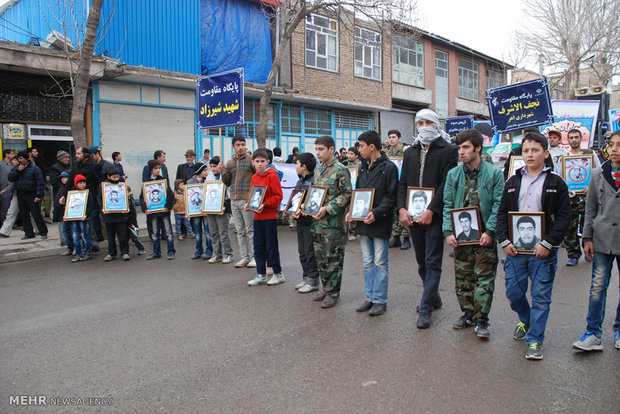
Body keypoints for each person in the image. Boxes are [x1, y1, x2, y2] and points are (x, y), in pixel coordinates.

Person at [497, 132, 570, 360]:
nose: (529, 154)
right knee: (513, 293)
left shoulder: (556, 183)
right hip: (516, 251)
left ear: (545, 153)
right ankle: (526, 320)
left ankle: (536, 340)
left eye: (535, 150)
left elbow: (565, 218)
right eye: (526, 150)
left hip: (543, 253)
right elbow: (502, 214)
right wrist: (504, 240)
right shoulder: (513, 181)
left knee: (541, 297)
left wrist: (548, 243)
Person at [397, 109, 458, 329]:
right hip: (412, 216)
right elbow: (402, 183)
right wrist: (402, 208)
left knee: (433, 261)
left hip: (434, 215)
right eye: (420, 123)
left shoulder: (448, 150)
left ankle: (425, 309)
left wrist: (431, 210)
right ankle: (433, 296)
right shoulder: (410, 152)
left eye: (428, 122)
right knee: (421, 261)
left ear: (436, 124)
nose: (424, 126)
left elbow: (446, 184)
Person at [443, 128, 505, 338]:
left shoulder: (495, 173)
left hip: (484, 237)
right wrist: (448, 231)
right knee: (463, 278)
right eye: (459, 147)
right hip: (461, 237)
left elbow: (499, 205)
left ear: (478, 148)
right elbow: (448, 204)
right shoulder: (453, 174)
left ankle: (482, 319)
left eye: (466, 147)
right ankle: (467, 314)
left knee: (484, 278)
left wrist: (490, 230)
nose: (461, 152)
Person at [572, 130, 620, 352]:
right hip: (600, 239)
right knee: (597, 287)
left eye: (619, 145)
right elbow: (590, 209)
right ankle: (593, 333)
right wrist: (587, 237)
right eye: (611, 145)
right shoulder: (598, 173)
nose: (614, 150)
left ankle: (619, 330)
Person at [347, 130, 398, 316]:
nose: (358, 149)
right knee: (367, 262)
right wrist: (351, 211)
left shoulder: (389, 167)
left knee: (380, 262)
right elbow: (358, 191)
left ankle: (380, 299)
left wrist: (376, 213)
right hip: (363, 220)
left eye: (361, 146)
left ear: (372, 146)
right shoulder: (362, 167)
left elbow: (391, 196)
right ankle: (369, 297)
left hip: (379, 220)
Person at [306, 135, 352, 308]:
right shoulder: (319, 169)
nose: (317, 152)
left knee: (333, 259)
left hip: (334, 224)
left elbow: (347, 194)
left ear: (331, 149)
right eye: (316, 149)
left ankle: (333, 293)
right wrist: (308, 204)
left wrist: (328, 208)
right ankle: (326, 287)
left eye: (321, 149)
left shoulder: (340, 169)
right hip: (318, 223)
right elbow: (316, 192)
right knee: (321, 258)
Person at [561, 128, 601, 267]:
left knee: (588, 226)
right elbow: (559, 177)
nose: (574, 140)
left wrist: (592, 187)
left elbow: (598, 173)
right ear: (568, 139)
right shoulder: (563, 157)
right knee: (569, 228)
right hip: (569, 198)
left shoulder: (590, 155)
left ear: (581, 138)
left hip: (587, 197)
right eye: (571, 137)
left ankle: (589, 251)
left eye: (576, 137)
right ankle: (573, 255)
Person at [245, 149, 284, 286]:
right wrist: (248, 204)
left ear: (268, 162)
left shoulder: (272, 176)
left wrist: (265, 204)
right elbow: (253, 194)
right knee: (258, 246)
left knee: (271, 247)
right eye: (257, 161)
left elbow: (278, 196)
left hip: (270, 216)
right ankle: (261, 274)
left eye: (263, 161)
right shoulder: (254, 177)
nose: (260, 164)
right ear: (253, 162)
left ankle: (278, 273)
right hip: (257, 217)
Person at [222, 135, 256, 268]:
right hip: (234, 199)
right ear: (233, 146)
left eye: (243, 144)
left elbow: (257, 176)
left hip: (247, 199)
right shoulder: (229, 162)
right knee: (240, 230)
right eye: (238, 145)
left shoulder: (251, 160)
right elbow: (226, 182)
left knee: (250, 230)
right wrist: (223, 171)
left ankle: (255, 257)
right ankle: (244, 257)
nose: (241, 147)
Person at [290, 153, 320, 293]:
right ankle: (306, 277)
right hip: (300, 220)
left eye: (297, 164)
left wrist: (304, 209)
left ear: (304, 167)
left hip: (310, 222)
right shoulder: (299, 181)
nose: (295, 166)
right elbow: (295, 199)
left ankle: (313, 280)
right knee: (302, 251)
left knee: (309, 251)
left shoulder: (314, 181)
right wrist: (292, 209)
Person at [8, 150, 48, 240]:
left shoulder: (34, 169)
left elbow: (39, 182)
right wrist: (18, 171)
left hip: (32, 194)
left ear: (26, 159)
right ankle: (29, 232)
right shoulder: (17, 168)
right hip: (21, 194)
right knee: (24, 215)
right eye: (18, 159)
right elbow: (10, 178)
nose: (19, 160)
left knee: (36, 214)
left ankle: (43, 232)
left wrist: (38, 195)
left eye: (21, 158)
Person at [141, 159, 176, 260]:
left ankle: (171, 251)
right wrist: (145, 209)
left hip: (164, 212)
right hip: (153, 213)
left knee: (168, 232)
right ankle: (156, 252)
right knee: (155, 233)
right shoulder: (146, 182)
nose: (158, 170)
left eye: (159, 168)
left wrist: (168, 207)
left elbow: (170, 194)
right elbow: (142, 197)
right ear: (151, 169)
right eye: (156, 168)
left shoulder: (162, 181)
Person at [206, 156, 234, 264]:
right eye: (211, 166)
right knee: (213, 232)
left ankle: (228, 254)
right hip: (211, 209)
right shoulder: (209, 178)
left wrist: (225, 207)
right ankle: (217, 254)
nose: (213, 169)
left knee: (223, 233)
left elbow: (228, 193)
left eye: (215, 166)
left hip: (223, 209)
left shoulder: (225, 177)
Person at [386, 129, 411, 250]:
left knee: (404, 209)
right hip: (392, 185)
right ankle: (396, 237)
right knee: (394, 211)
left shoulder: (406, 152)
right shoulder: (387, 153)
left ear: (399, 139)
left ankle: (406, 238)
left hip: (403, 184)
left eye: (394, 137)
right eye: (390, 137)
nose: (391, 139)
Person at [99, 167, 130, 262]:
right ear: (108, 176)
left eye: (117, 177)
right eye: (114, 177)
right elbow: (99, 199)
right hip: (109, 215)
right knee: (110, 235)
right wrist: (103, 208)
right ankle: (111, 253)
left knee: (122, 235)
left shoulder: (122, 185)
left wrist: (127, 208)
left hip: (121, 215)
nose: (116, 179)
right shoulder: (103, 186)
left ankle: (125, 252)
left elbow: (125, 198)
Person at [62, 174, 94, 262]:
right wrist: (66, 215)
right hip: (74, 217)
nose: (82, 185)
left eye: (84, 183)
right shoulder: (72, 193)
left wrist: (86, 215)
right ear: (76, 184)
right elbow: (69, 205)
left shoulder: (87, 193)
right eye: (80, 183)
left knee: (85, 235)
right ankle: (78, 254)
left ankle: (88, 252)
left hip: (84, 218)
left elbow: (91, 206)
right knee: (75, 236)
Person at [186, 164, 214, 260]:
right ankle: (198, 250)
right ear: (199, 171)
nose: (207, 172)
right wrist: (188, 211)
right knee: (197, 231)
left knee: (207, 231)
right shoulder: (190, 182)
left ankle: (209, 250)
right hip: (195, 211)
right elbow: (188, 198)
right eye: (205, 170)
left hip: (206, 211)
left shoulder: (208, 181)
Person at [0, 156, 19, 238]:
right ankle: (4, 232)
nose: (12, 162)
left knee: (32, 214)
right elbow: (12, 182)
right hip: (16, 194)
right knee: (11, 212)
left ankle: (39, 230)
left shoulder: (25, 169)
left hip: (26, 194)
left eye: (15, 160)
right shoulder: (14, 170)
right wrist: (6, 189)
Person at [126, 185, 145, 255]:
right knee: (125, 238)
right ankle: (126, 251)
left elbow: (133, 211)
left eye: (127, 192)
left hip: (132, 221)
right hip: (126, 221)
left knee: (135, 237)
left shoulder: (130, 200)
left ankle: (141, 249)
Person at [0, 149, 15, 226]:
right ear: (7, 155)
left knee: (12, 208)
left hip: (13, 189)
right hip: (4, 189)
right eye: (12, 154)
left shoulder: (13, 165)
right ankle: (3, 225)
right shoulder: (1, 164)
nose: (13, 155)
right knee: (4, 208)